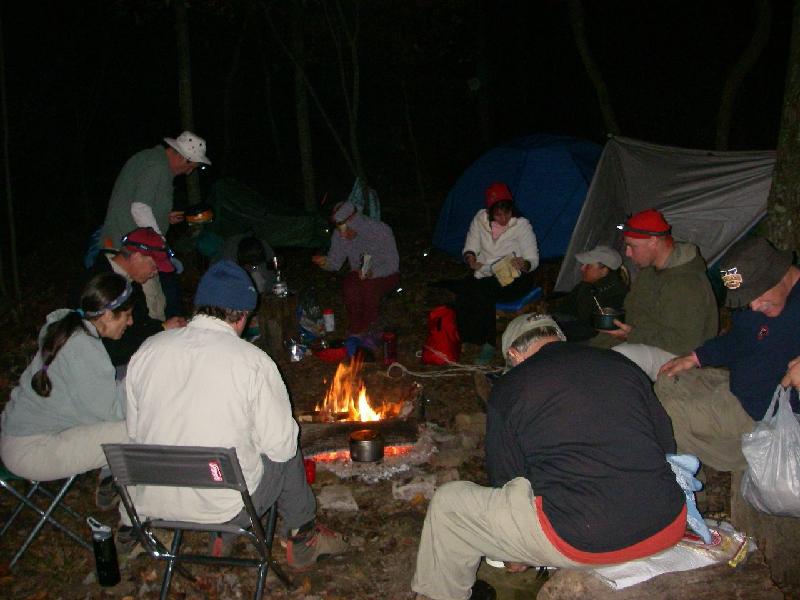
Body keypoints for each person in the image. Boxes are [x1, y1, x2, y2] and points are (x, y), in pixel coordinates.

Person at [412, 314, 686, 600]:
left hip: (586, 539)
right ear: (559, 339)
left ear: (513, 354)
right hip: (667, 522)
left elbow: (506, 480)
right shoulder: (621, 364)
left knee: (450, 505)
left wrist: (515, 547)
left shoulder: (510, 387)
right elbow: (665, 442)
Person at [123, 260, 349, 566]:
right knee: (286, 444)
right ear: (243, 316)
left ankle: (223, 537)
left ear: (200, 306)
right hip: (225, 503)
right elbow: (280, 449)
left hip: (154, 500)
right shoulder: (252, 362)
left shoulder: (148, 350)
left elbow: (135, 433)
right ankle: (302, 535)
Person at [657, 236, 800, 472]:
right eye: (747, 300)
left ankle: (696, 480)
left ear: (780, 272)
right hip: (734, 386)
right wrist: (695, 357)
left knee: (667, 414)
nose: (753, 306)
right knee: (666, 380)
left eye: (757, 295)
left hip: (765, 412)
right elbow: (737, 339)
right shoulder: (759, 305)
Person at [1, 273, 133, 509]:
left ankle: (113, 481)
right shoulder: (82, 348)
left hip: (19, 437)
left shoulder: (71, 329)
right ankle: (135, 516)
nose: (131, 322)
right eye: (128, 315)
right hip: (32, 450)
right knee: (134, 430)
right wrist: (140, 380)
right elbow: (113, 412)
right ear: (107, 315)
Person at [591, 209, 718, 380]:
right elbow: (632, 313)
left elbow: (686, 343)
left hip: (679, 357)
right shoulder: (648, 273)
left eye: (632, 246)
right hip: (643, 341)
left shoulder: (687, 283)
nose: (627, 253)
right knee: (585, 356)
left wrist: (632, 334)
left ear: (653, 241)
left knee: (621, 356)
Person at [99, 131, 211, 318]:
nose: (189, 171)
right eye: (191, 166)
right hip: (133, 251)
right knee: (153, 306)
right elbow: (140, 207)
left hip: (130, 247)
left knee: (135, 306)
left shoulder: (154, 161)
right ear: (181, 157)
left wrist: (164, 216)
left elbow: (141, 203)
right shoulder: (157, 165)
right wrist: (161, 247)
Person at [456, 182, 540, 364]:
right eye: (498, 214)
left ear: (512, 210)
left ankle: (489, 343)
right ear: (490, 212)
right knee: (464, 289)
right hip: (487, 271)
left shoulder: (522, 225)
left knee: (484, 291)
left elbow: (533, 258)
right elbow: (471, 245)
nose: (503, 219)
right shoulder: (480, 220)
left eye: (507, 213)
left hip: (516, 277)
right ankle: (468, 336)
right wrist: (470, 257)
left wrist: (524, 263)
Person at [86, 227, 187, 367]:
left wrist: (167, 326)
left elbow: (141, 323)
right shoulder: (96, 283)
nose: (155, 273)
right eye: (154, 266)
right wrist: (161, 328)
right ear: (137, 257)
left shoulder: (131, 281)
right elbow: (113, 349)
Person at [311, 201, 399, 342]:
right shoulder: (339, 235)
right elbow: (335, 263)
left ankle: (370, 330)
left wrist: (373, 273)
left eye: (344, 226)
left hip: (386, 274)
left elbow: (393, 265)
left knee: (368, 286)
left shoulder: (380, 230)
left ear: (354, 219)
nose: (342, 232)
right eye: (338, 226)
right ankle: (356, 329)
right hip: (359, 274)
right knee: (350, 285)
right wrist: (325, 262)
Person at [550, 245, 628, 342]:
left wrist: (558, 334)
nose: (582, 268)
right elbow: (564, 310)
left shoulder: (617, 294)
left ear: (604, 270)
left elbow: (595, 330)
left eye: (588, 265)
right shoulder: (585, 286)